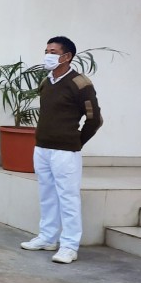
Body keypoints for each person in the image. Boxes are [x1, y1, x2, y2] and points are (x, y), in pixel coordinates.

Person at [20, 36, 102, 264]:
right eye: (46, 50)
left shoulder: (80, 83)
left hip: (65, 152)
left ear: (67, 56)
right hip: (42, 148)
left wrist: (75, 141)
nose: (48, 55)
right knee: (47, 195)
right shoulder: (47, 82)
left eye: (53, 51)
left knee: (68, 198)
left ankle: (69, 246)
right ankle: (47, 238)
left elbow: (94, 119)